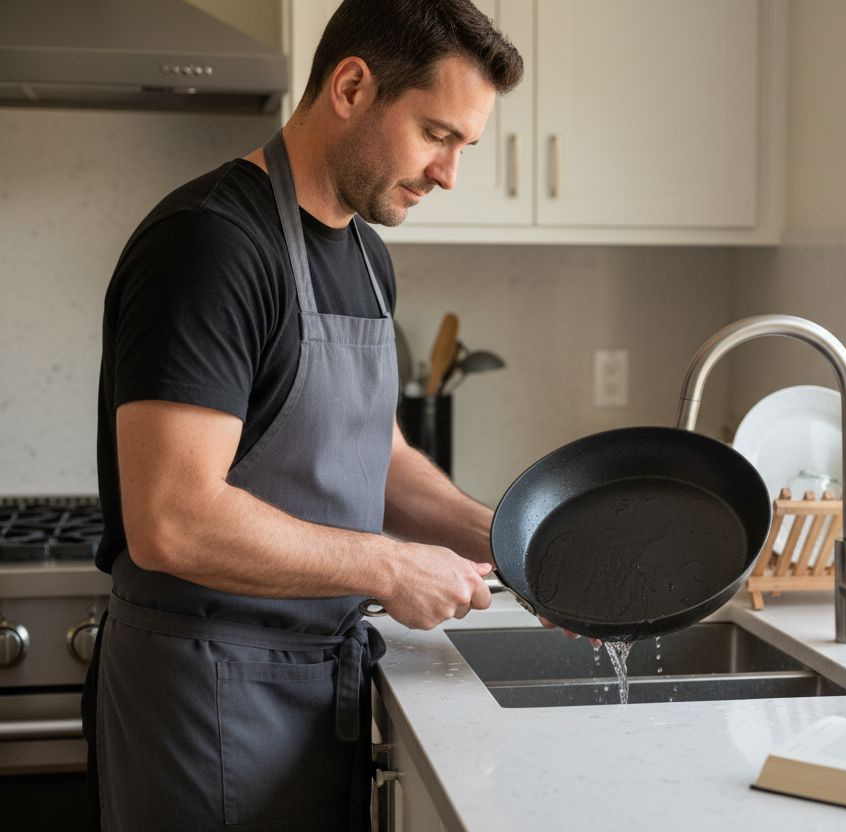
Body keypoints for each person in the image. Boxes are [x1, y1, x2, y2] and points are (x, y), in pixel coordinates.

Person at [85, 1, 523, 829]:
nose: (449, 175)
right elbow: (171, 520)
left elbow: (379, 457)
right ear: (353, 86)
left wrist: (512, 543)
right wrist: (391, 570)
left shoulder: (365, 253)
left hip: (315, 686)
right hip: (206, 695)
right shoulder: (210, 244)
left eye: (465, 145)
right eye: (437, 134)